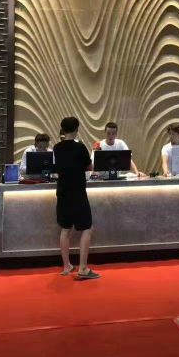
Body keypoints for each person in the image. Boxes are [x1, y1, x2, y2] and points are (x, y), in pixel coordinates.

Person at [53, 117, 100, 280]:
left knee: (65, 229)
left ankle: (66, 266)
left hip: (62, 192)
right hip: (78, 192)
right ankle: (83, 268)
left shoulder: (57, 147)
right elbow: (89, 167)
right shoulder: (80, 147)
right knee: (87, 228)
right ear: (77, 129)